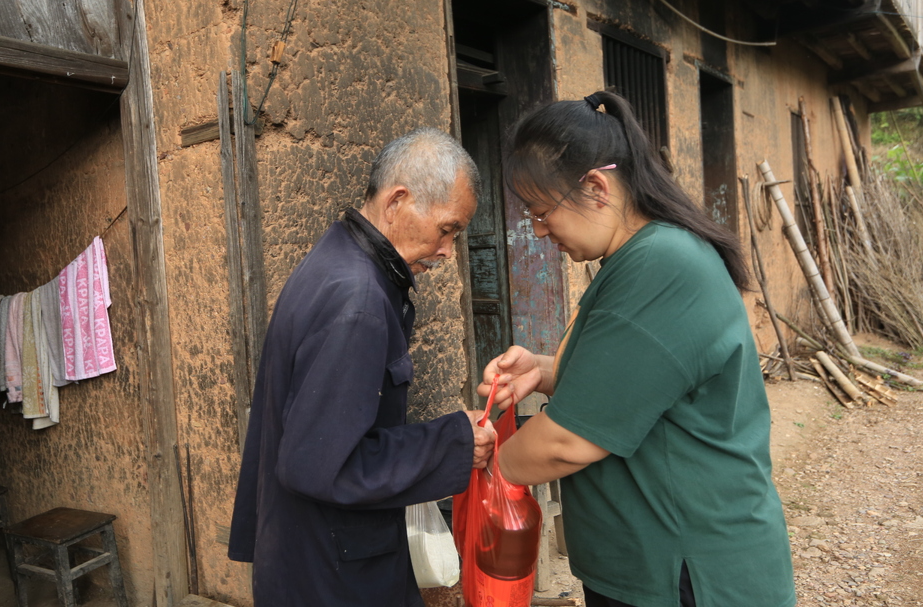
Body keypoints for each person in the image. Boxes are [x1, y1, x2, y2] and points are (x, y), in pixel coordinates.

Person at [478, 91, 796, 607]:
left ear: (596, 188)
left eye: (541, 211)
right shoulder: (643, 257)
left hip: (686, 572)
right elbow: (641, 379)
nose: (537, 231)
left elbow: (568, 442)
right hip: (655, 561)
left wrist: (482, 463)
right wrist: (540, 370)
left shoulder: (659, 267)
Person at [229, 127, 496, 606]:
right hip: (334, 573)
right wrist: (454, 441)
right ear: (397, 202)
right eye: (447, 229)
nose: (447, 251)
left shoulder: (335, 262)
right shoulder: (360, 302)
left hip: (309, 553)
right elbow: (323, 464)